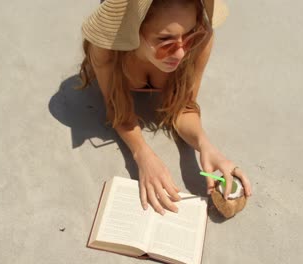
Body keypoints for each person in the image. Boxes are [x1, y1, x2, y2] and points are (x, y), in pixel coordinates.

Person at [78, 0, 252, 215]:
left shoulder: (202, 40)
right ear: (132, 32)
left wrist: (204, 144)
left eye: (189, 36)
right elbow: (118, 110)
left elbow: (182, 108)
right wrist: (142, 153)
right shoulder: (108, 50)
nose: (180, 54)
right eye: (165, 41)